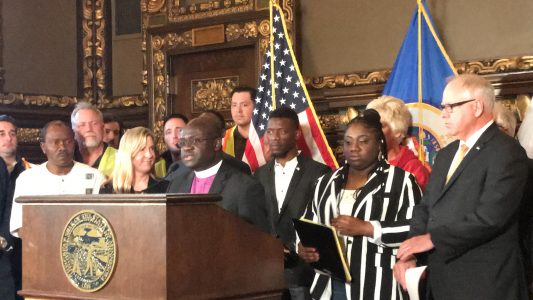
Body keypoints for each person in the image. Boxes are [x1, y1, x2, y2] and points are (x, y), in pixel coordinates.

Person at [393, 74, 529, 300]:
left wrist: (431, 239)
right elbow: (426, 207)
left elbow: (491, 217)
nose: (443, 114)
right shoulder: (447, 154)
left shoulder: (506, 152)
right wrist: (409, 253)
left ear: (476, 107)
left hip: (484, 284)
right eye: (442, 107)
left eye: (450, 107)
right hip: (440, 279)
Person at [298, 109, 422, 299]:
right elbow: (308, 223)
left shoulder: (401, 181)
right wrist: (303, 247)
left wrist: (368, 228)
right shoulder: (325, 182)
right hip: (330, 285)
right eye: (348, 142)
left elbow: (416, 229)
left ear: (379, 143)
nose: (354, 147)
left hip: (377, 285)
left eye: (363, 141)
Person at [254, 107, 330, 300]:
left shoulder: (319, 172)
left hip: (304, 274)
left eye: (282, 131)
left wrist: (295, 247)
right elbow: (256, 218)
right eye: (270, 132)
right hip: (265, 274)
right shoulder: (259, 175)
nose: (274, 137)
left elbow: (324, 220)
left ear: (296, 134)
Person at [166, 117, 270, 232]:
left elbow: (259, 240)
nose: (186, 147)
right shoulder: (176, 184)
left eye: (194, 140)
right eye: (182, 142)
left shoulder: (245, 187)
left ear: (216, 144)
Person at [10, 121, 105, 236]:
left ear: (74, 144)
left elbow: (101, 223)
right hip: (40, 248)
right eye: (55, 142)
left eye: (68, 142)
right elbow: (19, 226)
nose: (62, 147)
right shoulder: (27, 179)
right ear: (43, 147)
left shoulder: (95, 176)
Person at [367, 95, 430, 190]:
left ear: (398, 132)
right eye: (369, 125)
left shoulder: (414, 170)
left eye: (380, 126)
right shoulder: (363, 164)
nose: (370, 131)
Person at [0, 115, 31, 300]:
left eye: (12, 133)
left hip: (19, 248)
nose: (8, 138)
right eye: (1, 134)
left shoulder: (28, 169)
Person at [103, 127, 168, 194]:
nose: (149, 155)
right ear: (128, 154)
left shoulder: (166, 188)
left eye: (151, 148)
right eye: (142, 149)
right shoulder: (107, 190)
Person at [71, 102, 116, 179]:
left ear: (102, 128)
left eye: (94, 123)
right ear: (74, 131)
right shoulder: (67, 158)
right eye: (82, 125)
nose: (89, 129)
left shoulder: (120, 158)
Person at [223, 86, 256, 161]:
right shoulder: (223, 138)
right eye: (234, 105)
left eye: (244, 105)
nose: (238, 110)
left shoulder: (266, 137)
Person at [155, 114, 189, 178]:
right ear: (164, 138)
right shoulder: (158, 167)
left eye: (179, 131)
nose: (174, 136)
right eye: (168, 132)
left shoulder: (199, 163)